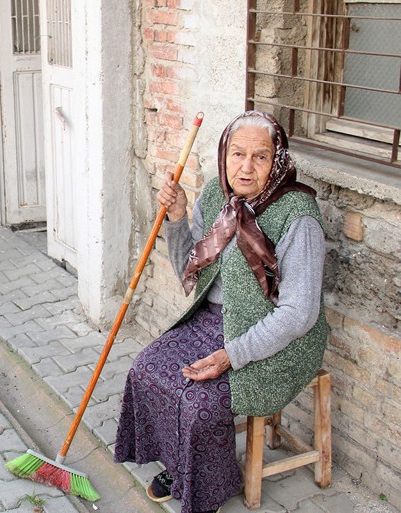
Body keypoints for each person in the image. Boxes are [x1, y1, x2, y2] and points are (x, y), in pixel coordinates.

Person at [113, 110, 328, 513]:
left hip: (280, 340)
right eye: (237, 154)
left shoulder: (298, 215)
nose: (245, 167)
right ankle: (183, 466)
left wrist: (232, 355)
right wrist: (177, 217)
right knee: (146, 369)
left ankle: (208, 485)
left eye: (260, 157)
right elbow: (190, 272)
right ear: (224, 155)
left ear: (277, 160)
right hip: (214, 323)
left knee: (200, 402)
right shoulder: (217, 196)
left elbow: (300, 314)